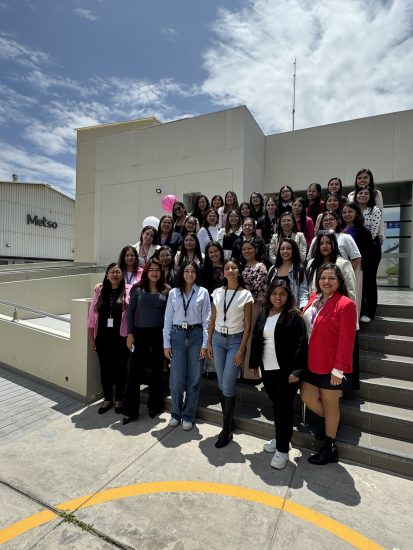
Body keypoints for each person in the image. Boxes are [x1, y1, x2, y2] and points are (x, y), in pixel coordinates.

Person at [301, 264, 357, 465]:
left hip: (331, 366)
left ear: (339, 281)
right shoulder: (315, 299)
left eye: (332, 278)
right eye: (323, 277)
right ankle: (331, 425)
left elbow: (347, 340)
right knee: (307, 396)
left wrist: (338, 369)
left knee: (330, 405)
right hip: (311, 362)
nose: (327, 281)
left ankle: (330, 446)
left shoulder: (346, 304)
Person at [249, 281, 308, 469]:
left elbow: (301, 345)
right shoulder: (264, 313)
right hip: (268, 369)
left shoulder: (294, 316)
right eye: (274, 293)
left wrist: (297, 371)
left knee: (283, 408)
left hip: (286, 372)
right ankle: (281, 437)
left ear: (288, 296)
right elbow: (257, 338)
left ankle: (282, 450)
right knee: (277, 407)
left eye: (282, 294)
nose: (278, 297)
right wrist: (253, 362)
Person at [207, 259, 253, 448]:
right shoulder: (217, 292)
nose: (231, 270)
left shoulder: (246, 295)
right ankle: (229, 421)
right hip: (218, 339)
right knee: (221, 382)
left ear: (239, 271)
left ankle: (226, 430)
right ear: (223, 272)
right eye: (227, 268)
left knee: (227, 384)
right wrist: (208, 341)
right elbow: (213, 318)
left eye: (234, 267)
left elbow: (248, 325)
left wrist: (242, 349)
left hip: (235, 340)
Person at [163, 261, 211, 430]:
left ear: (197, 274)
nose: (190, 274)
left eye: (193, 271)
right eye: (186, 271)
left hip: (196, 336)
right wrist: (166, 343)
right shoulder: (173, 293)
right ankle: (176, 413)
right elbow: (168, 319)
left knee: (194, 378)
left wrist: (205, 344)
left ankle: (189, 414)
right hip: (177, 336)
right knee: (176, 379)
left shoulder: (203, 292)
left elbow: (207, 320)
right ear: (181, 273)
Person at [122, 259, 169, 424]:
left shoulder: (166, 290)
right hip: (139, 333)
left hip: (159, 334)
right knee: (134, 371)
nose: (155, 272)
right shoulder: (138, 289)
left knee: (157, 371)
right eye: (151, 269)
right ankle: (130, 410)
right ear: (147, 271)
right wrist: (129, 334)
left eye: (158, 269)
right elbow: (130, 312)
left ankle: (154, 406)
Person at [87, 263, 129, 415]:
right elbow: (91, 317)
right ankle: (107, 398)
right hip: (103, 337)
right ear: (106, 275)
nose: (115, 274)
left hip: (121, 337)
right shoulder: (100, 291)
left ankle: (119, 399)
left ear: (122, 275)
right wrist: (91, 338)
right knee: (105, 368)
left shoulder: (128, 290)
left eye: (118, 272)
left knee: (121, 369)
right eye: (112, 272)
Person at [353, 188, 382, 322]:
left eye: (366, 193)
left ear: (370, 196)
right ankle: (358, 308)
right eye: (360, 193)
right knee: (359, 280)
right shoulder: (354, 210)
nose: (362, 195)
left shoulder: (374, 210)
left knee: (369, 280)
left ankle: (369, 311)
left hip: (370, 248)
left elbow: (373, 232)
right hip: (355, 249)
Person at [240, 240, 267, 379]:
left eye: (249, 248)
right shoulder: (240, 266)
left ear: (255, 250)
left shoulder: (260, 266)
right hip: (239, 306)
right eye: (244, 249)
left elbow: (259, 287)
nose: (246, 251)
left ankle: (250, 374)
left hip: (254, 304)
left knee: (251, 337)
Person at [267, 238, 308, 309]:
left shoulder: (299, 269)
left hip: (292, 310)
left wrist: (302, 308)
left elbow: (303, 292)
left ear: (294, 250)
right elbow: (268, 291)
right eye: (282, 249)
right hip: (274, 309)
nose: (285, 251)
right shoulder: (272, 269)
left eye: (289, 248)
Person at [347, 168, 384, 245]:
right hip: (354, 234)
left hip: (371, 234)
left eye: (365, 177)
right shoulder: (351, 195)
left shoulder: (376, 193)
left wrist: (380, 234)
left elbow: (381, 214)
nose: (362, 180)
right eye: (359, 178)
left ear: (370, 179)